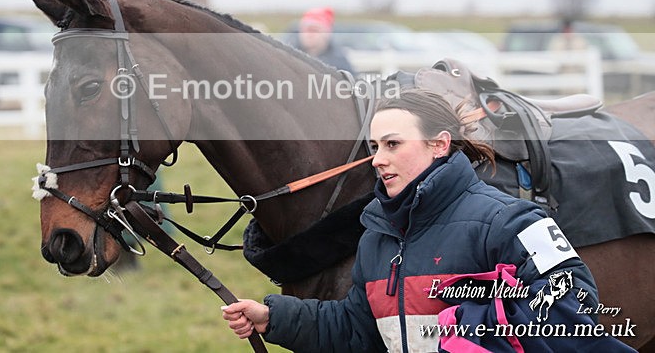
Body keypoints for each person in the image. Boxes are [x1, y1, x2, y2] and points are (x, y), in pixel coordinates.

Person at [223, 89, 632, 352]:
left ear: (439, 145)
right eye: (374, 146)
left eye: (393, 144)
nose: (378, 159)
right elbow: (357, 329)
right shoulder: (376, 236)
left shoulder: (511, 220)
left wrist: (465, 330)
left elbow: (572, 304)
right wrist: (275, 318)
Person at [293, 7, 353, 72]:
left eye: (315, 30)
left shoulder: (339, 61)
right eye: (305, 30)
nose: (309, 34)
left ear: (327, 33)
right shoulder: (291, 56)